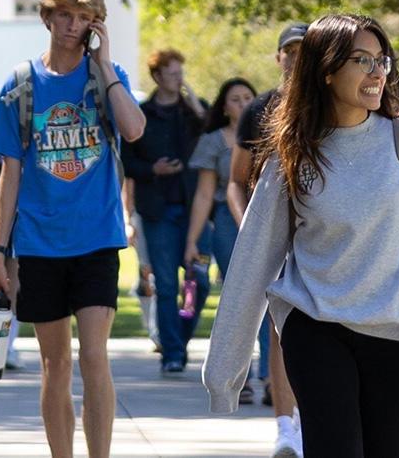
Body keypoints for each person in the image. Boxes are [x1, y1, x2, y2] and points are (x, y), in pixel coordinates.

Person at [205, 14, 399, 456]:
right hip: (314, 325)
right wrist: (225, 372)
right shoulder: (294, 153)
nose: (377, 73)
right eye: (362, 61)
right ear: (327, 70)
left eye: (382, 61)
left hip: (393, 328)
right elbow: (255, 257)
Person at [0, 0, 146, 458]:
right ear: (46, 16)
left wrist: (107, 64)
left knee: (95, 357)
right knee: (55, 364)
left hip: (96, 238)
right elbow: (9, 176)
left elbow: (134, 130)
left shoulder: (105, 80)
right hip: (38, 243)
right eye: (65, 15)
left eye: (84, 18)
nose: (73, 25)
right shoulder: (19, 87)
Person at [229, 23, 307, 455]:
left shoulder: (333, 104)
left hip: (320, 234)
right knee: (281, 332)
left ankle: (310, 418)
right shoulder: (259, 110)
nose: (295, 58)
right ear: (278, 57)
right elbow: (235, 182)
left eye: (303, 50)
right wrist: (251, 229)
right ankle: (285, 428)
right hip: (273, 234)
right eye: (289, 51)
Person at [125, 49, 208, 376]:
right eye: (172, 74)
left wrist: (193, 100)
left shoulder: (193, 111)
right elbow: (127, 161)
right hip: (158, 212)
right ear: (157, 76)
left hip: (195, 211)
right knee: (167, 285)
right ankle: (172, 352)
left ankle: (181, 337)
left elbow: (212, 128)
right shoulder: (141, 114)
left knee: (197, 281)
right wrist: (152, 169)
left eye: (180, 73)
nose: (178, 79)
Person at [183, 77, 252, 387]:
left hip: (264, 215)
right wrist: (192, 240)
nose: (243, 103)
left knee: (269, 294)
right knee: (239, 296)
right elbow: (204, 195)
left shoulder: (272, 135)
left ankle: (271, 378)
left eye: (248, 97)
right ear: (224, 106)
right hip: (226, 220)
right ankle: (243, 377)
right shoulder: (213, 141)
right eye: (235, 99)